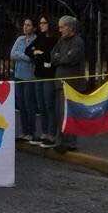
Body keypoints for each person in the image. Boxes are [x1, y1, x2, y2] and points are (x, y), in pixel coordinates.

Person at [51, 15, 86, 153]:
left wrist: (60, 58)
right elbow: (53, 55)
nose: (60, 30)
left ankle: (69, 142)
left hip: (71, 84)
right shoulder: (61, 40)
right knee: (59, 113)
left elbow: (70, 58)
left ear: (70, 27)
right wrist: (59, 58)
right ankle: (61, 140)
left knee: (68, 113)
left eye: (62, 27)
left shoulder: (78, 41)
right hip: (60, 83)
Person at [31, 15, 59, 147]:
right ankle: (44, 132)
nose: (41, 25)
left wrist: (40, 53)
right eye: (40, 23)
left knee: (49, 104)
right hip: (38, 73)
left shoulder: (55, 39)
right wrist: (37, 53)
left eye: (44, 22)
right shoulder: (40, 37)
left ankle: (51, 134)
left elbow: (51, 55)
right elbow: (29, 50)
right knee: (41, 104)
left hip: (49, 75)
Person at [10, 17, 38, 142]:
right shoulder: (19, 39)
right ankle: (24, 131)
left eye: (29, 25)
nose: (26, 27)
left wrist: (21, 56)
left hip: (30, 76)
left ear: (34, 27)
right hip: (18, 75)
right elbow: (12, 54)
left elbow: (33, 58)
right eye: (25, 24)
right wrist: (25, 55)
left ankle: (31, 132)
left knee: (29, 104)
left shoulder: (36, 40)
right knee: (20, 104)